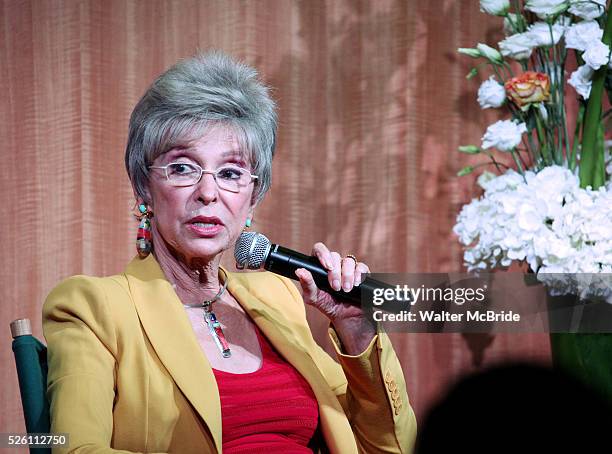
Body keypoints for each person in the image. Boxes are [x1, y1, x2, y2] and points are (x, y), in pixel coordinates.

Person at [43, 51, 416, 453]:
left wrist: (356, 330)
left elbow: (389, 448)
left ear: (252, 198)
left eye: (231, 173)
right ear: (144, 187)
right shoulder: (94, 308)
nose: (208, 192)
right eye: (183, 168)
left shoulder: (277, 297)